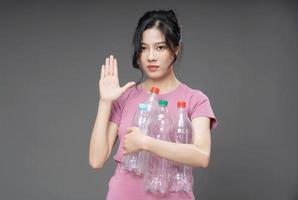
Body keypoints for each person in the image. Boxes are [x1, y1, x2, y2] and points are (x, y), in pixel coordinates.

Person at [89, 9, 218, 200]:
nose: (150, 57)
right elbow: (96, 160)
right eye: (143, 48)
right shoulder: (126, 96)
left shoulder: (195, 99)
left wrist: (146, 143)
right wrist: (105, 101)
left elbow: (201, 155)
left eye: (159, 47)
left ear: (176, 49)